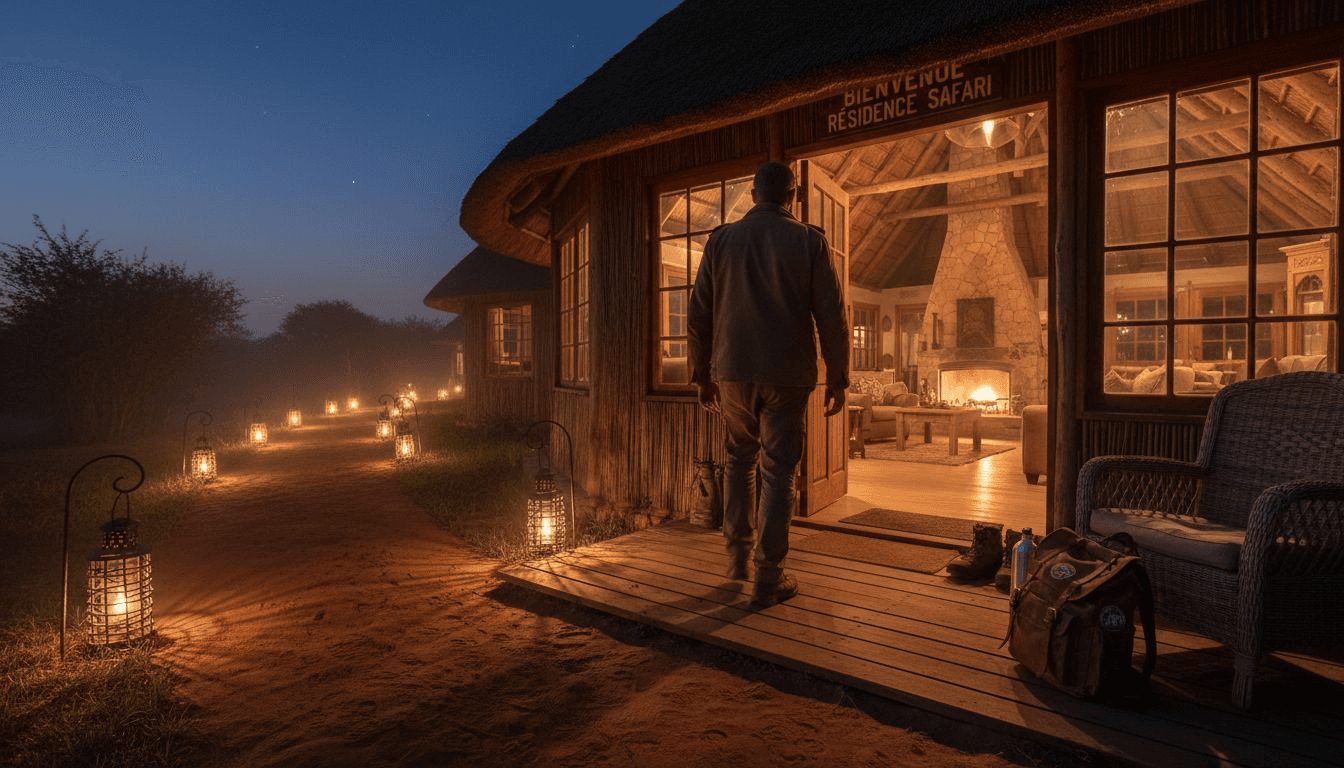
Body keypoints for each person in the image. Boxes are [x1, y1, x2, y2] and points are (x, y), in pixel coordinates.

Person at [687, 161, 850, 607]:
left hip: (733, 373)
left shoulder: (720, 241)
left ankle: (737, 558)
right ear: (792, 197)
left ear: (753, 194)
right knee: (778, 473)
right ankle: (768, 576)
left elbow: (699, 311)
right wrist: (838, 376)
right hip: (787, 375)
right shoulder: (809, 241)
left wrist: (701, 375)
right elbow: (831, 316)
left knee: (739, 461)